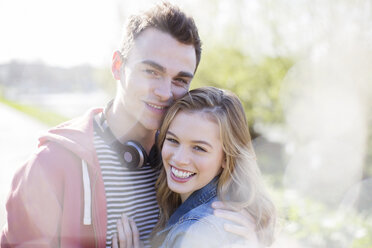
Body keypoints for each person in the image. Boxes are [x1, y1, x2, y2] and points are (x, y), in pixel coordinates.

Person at [1, 2, 255, 248]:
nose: (165, 93)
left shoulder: (182, 165)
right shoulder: (48, 167)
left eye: (179, 80)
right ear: (117, 66)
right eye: (151, 72)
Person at [114, 87, 276, 248]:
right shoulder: (225, 214)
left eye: (199, 148)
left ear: (227, 158)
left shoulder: (195, 232)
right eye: (173, 140)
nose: (179, 159)